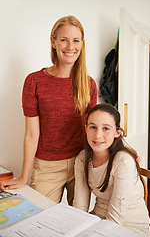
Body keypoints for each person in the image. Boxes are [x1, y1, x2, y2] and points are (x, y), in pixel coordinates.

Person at [0, 15, 97, 205]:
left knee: (77, 220)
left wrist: (122, 151)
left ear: (82, 43)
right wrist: (23, 177)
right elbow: (31, 134)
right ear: (53, 42)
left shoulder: (89, 84)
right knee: (40, 221)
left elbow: (95, 128)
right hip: (47, 167)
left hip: (81, 162)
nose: (70, 46)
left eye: (76, 40)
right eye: (64, 40)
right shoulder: (34, 82)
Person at [73, 103, 150, 236]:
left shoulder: (123, 162)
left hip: (129, 226)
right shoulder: (82, 158)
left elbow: (115, 219)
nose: (98, 135)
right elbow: (80, 207)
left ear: (117, 132)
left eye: (106, 129)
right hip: (98, 219)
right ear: (85, 129)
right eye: (93, 127)